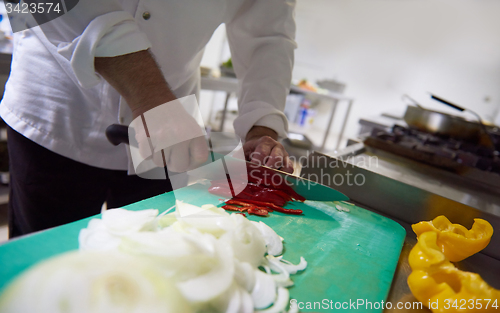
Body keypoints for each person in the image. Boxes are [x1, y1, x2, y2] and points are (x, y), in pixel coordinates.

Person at [0, 0, 297, 237]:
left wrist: (262, 125)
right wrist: (150, 95)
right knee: (46, 262)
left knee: (154, 254)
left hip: (172, 136)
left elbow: (269, 35)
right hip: (56, 109)